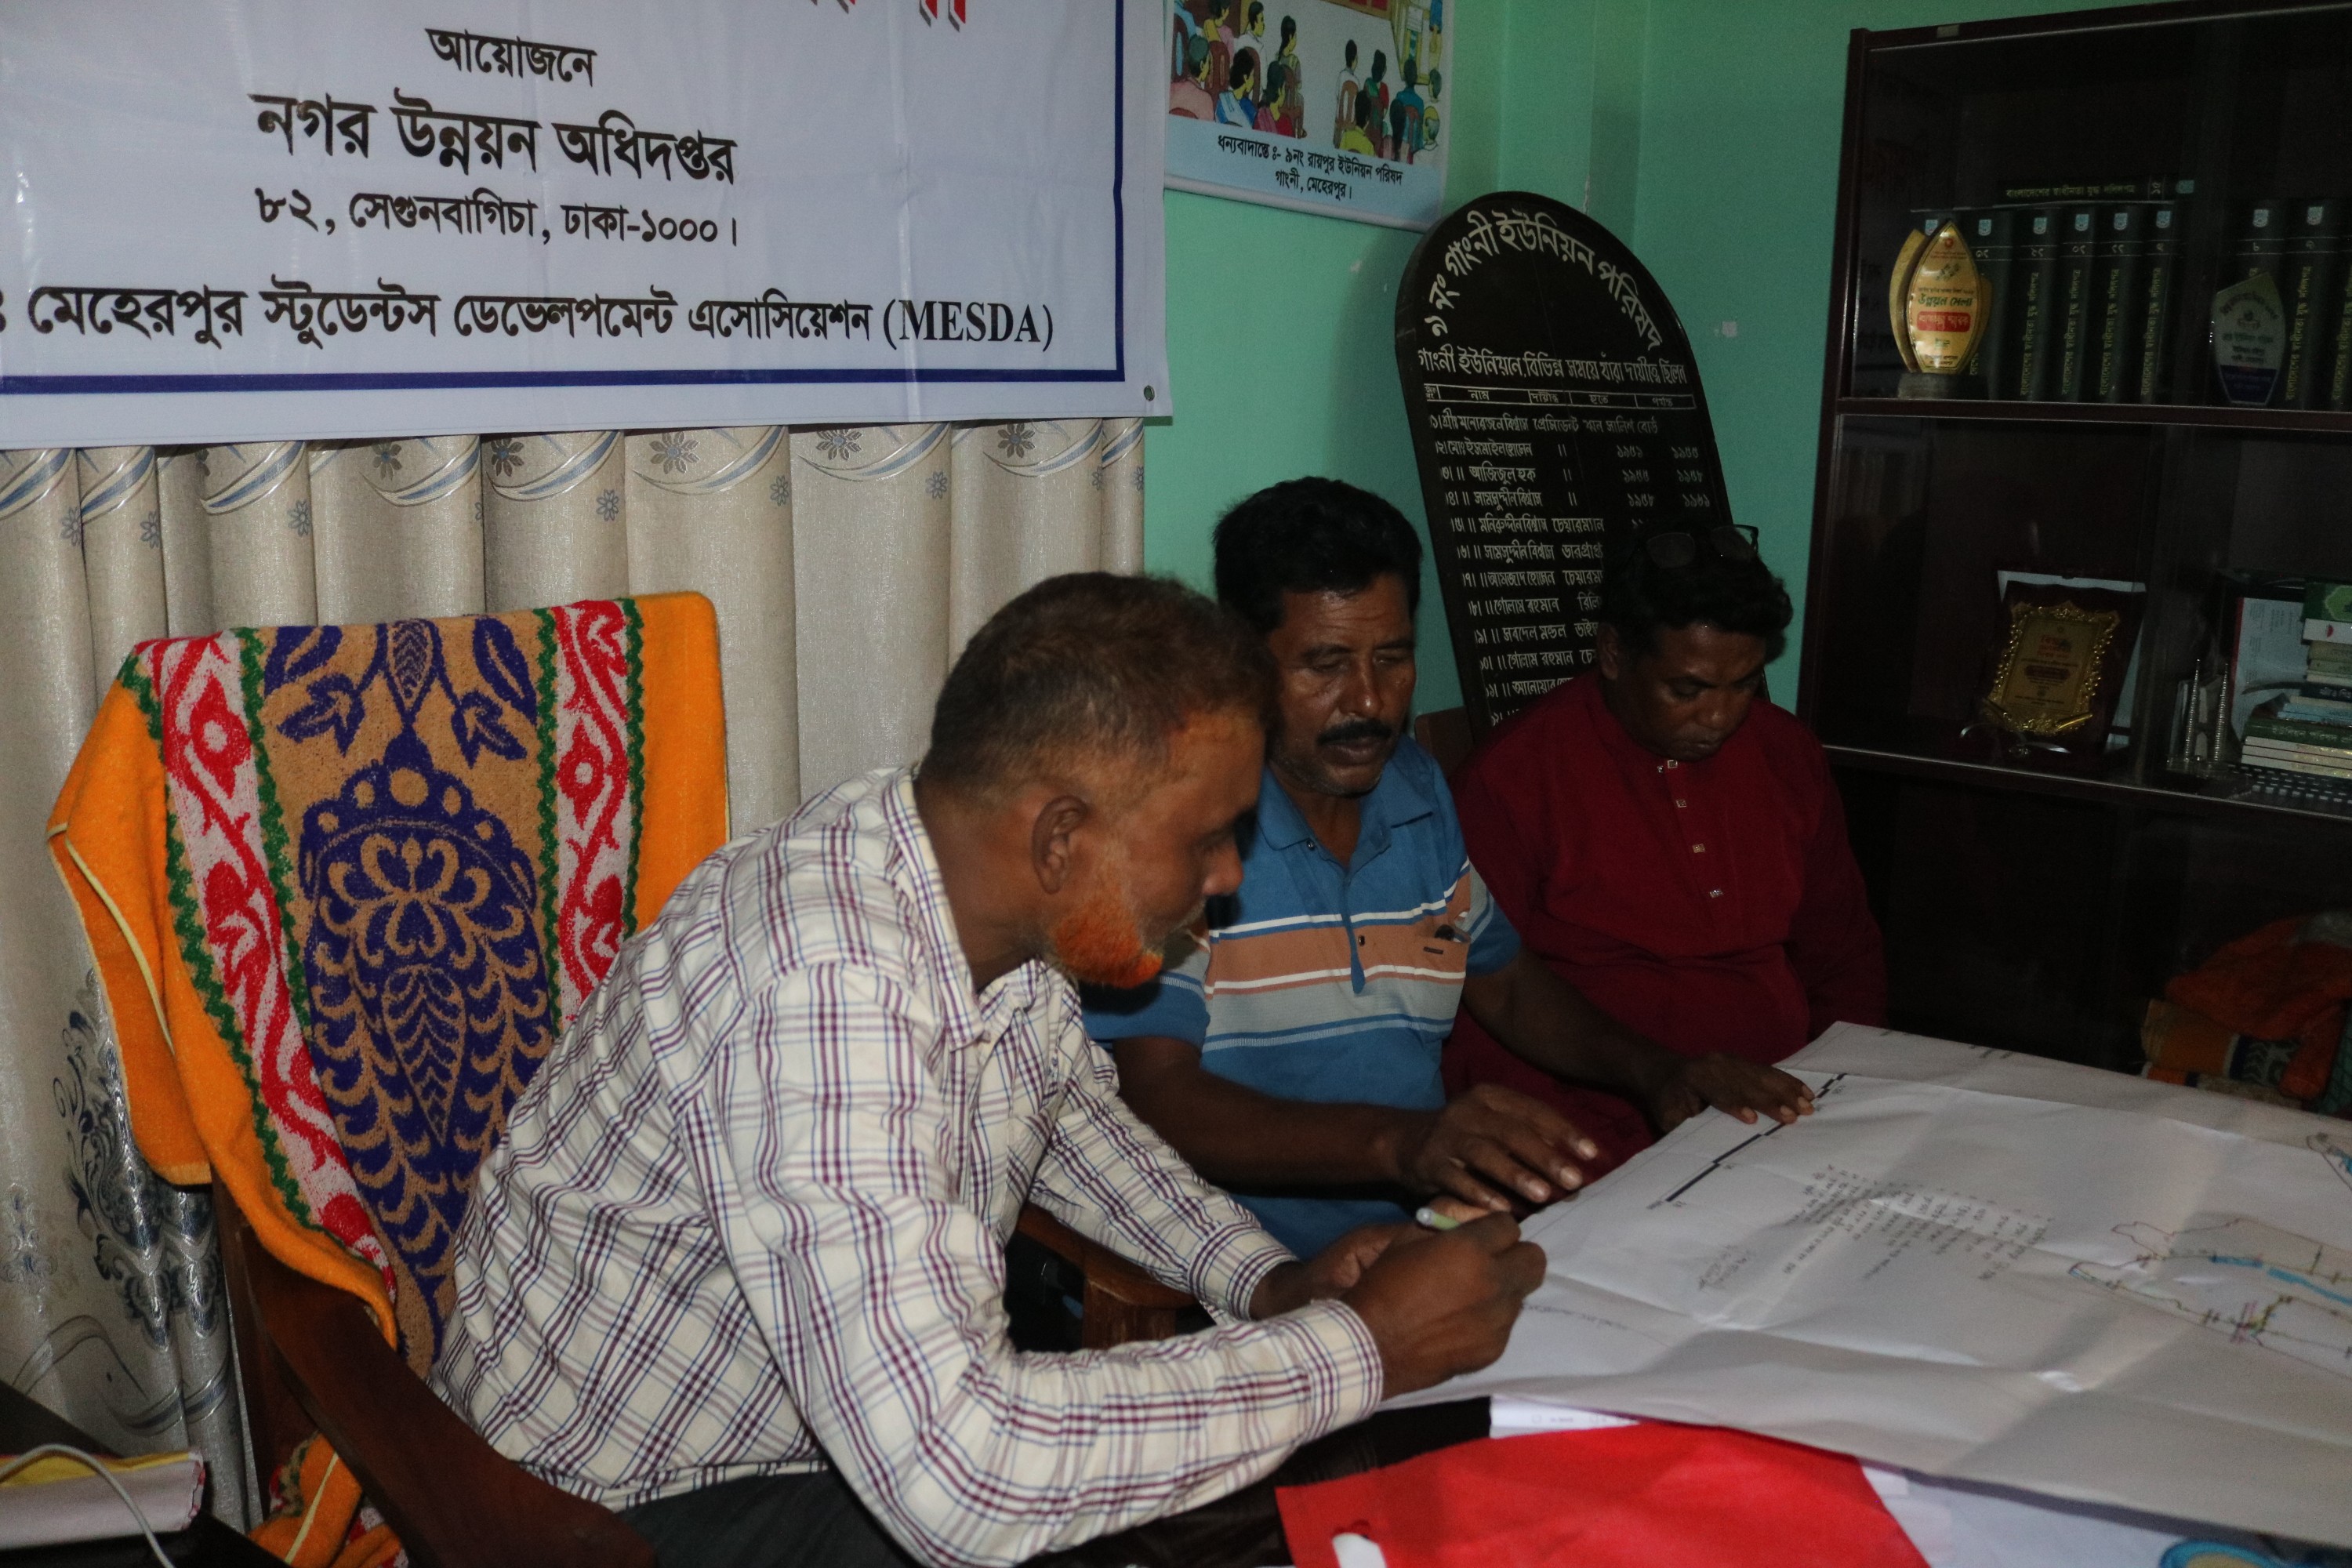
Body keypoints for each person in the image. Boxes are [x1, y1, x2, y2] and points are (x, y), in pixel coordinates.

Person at [433, 574, 1545, 1567]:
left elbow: (1069, 1123)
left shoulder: (961, 879)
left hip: (829, 1443)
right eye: (1208, 835)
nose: (1225, 877)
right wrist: (1364, 1348)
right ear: (1061, 836)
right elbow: (961, 1476)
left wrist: (1266, 1285)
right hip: (608, 1512)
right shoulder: (822, 990)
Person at [1085, 482, 1810, 1261]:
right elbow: (1159, 1096)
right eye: (1325, 664)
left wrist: (1660, 1070)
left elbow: (1505, 982)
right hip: (1240, 1269)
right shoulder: (1179, 825)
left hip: (1417, 1245)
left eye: (1393, 658)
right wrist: (1400, 1143)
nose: (1369, 700)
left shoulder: (1414, 786)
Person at [1447, 519, 1887, 1181]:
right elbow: (1483, 1002)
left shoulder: (1786, 753)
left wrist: (1843, 1092)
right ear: (1614, 654)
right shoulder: (1513, 777)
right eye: (1688, 690)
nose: (1720, 717)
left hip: (1781, 1110)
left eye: (1743, 684)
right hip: (1595, 1129)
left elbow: (1843, 952)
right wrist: (1576, 1162)